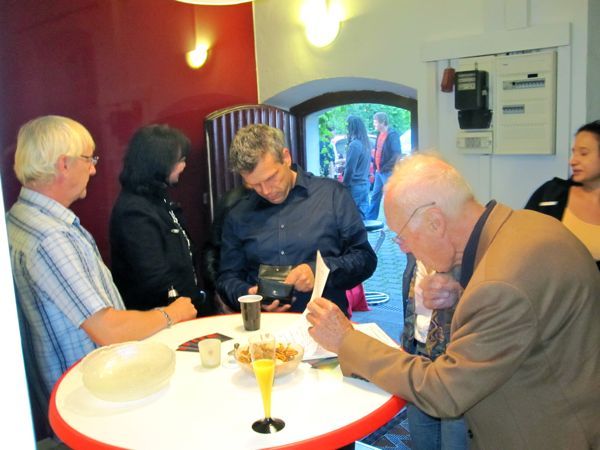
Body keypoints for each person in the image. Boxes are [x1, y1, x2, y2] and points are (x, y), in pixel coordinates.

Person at [307, 153, 600, 449]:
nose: (403, 248)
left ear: (435, 223)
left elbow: (443, 391)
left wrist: (347, 340)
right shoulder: (526, 226)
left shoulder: (499, 284)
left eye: (402, 236)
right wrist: (462, 293)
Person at [6, 116, 197, 414]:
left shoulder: (20, 217)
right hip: (90, 394)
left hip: (72, 390)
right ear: (64, 164)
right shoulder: (52, 238)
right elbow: (108, 329)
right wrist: (172, 313)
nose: (94, 169)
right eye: (89, 159)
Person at [216, 124, 377, 315]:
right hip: (264, 326)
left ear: (286, 157)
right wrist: (248, 295)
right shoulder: (238, 214)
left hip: (325, 324)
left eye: (271, 178)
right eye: (255, 185)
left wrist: (320, 271)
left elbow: (365, 259)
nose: (266, 191)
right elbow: (227, 278)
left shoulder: (332, 195)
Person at [110, 124, 212, 316]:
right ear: (158, 164)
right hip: (160, 316)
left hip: (184, 308)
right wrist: (196, 301)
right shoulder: (134, 212)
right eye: (180, 160)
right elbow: (155, 278)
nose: (184, 166)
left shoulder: (159, 199)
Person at [401, 254, 468, 450]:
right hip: (417, 349)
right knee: (422, 438)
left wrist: (457, 290)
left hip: (459, 362)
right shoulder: (416, 251)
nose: (401, 242)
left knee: (455, 440)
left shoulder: (474, 250)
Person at [525, 119, 600, 270]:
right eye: (574, 152)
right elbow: (521, 240)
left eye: (583, 153)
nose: (573, 161)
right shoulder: (550, 195)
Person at [366, 112, 401, 220]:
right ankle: (370, 220)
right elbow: (377, 151)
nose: (374, 124)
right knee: (375, 196)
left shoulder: (392, 135)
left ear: (383, 122)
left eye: (376, 122)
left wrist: (386, 167)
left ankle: (396, 221)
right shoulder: (379, 134)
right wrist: (376, 168)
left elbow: (397, 154)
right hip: (379, 172)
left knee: (391, 197)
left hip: (388, 172)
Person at [342, 115, 371, 219]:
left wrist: (344, 185)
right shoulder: (366, 144)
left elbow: (350, 169)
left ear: (351, 128)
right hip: (364, 185)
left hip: (355, 186)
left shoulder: (354, 145)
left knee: (349, 217)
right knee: (361, 218)